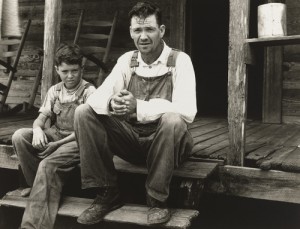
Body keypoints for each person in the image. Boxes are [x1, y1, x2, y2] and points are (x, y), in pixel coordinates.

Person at [74, 1, 197, 225]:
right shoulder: (127, 61)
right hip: (133, 141)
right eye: (137, 30)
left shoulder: (180, 61)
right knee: (83, 112)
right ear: (131, 31)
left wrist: (138, 107)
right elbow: (95, 98)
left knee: (172, 119)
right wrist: (112, 103)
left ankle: (156, 198)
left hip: (169, 145)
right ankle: (107, 193)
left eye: (149, 29)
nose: (143, 37)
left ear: (161, 31)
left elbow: (187, 111)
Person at [11, 43, 96, 229]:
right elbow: (40, 119)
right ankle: (38, 187)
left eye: (75, 70)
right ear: (57, 69)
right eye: (65, 71)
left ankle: (33, 225)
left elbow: (88, 132)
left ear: (82, 68)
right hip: (56, 134)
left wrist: (56, 146)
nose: (70, 76)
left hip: (78, 140)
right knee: (19, 136)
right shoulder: (55, 90)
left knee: (47, 163)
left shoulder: (89, 92)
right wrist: (38, 130)